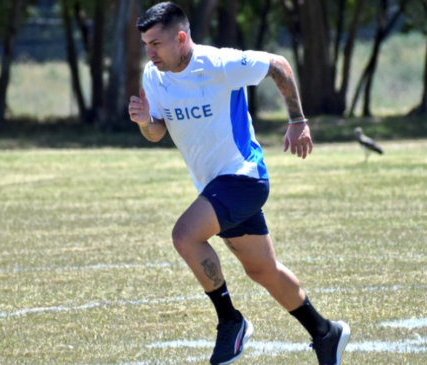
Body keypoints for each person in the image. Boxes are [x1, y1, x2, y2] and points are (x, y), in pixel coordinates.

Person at [128, 2, 350, 364]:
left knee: (185, 235)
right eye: (146, 45)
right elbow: (157, 132)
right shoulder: (154, 76)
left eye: (155, 44)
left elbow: (279, 65)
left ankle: (231, 321)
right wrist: (143, 122)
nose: (149, 53)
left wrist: (297, 120)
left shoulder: (217, 64)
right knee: (263, 270)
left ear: (181, 38)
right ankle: (326, 332)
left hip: (243, 177)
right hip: (216, 186)